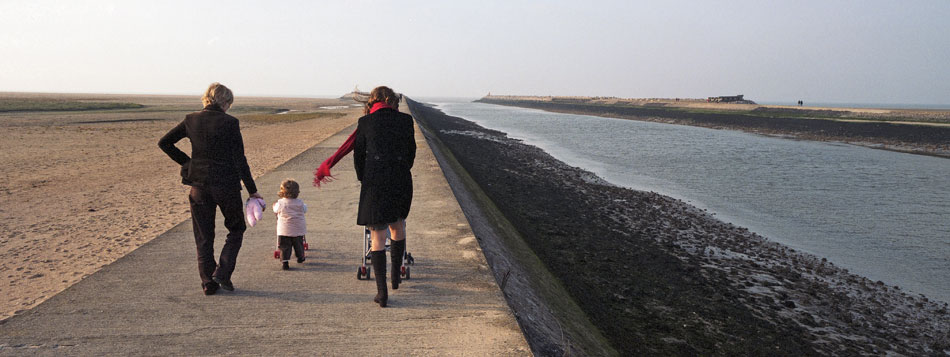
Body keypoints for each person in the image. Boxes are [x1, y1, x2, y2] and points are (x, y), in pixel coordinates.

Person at [314, 86, 415, 307]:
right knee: (398, 226)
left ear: (373, 101)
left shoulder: (365, 123)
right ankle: (396, 275)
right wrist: (400, 169)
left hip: (374, 181)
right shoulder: (406, 121)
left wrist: (365, 179)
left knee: (377, 236)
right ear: (392, 101)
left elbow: (358, 156)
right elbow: (411, 153)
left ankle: (382, 293)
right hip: (400, 178)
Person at [158, 82, 262, 295]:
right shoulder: (230, 123)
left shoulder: (191, 119)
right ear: (224, 101)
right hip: (226, 186)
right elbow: (239, 160)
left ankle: (208, 282)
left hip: (199, 187)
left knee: (203, 236)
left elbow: (165, 143)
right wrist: (252, 190)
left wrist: (188, 164)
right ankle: (222, 273)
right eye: (229, 103)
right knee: (236, 229)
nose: (228, 107)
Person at [273, 179, 307, 270]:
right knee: (298, 244)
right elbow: (305, 209)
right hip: (298, 228)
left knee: (284, 246)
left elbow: (276, 210)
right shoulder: (300, 202)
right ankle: (300, 257)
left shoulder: (280, 203)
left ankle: (285, 262)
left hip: (284, 229)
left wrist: (274, 207)